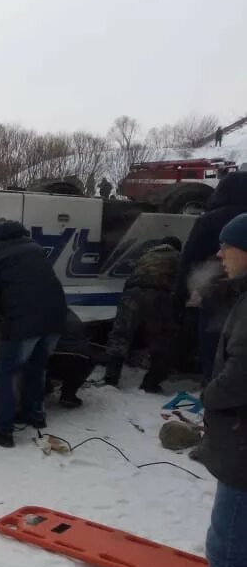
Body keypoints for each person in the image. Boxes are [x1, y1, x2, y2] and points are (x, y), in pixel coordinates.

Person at [134, 214, 247, 567]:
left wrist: (210, 395)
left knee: (230, 555)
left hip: (242, 453)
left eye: (227, 246)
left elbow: (242, 373)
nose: (219, 254)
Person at [0, 216, 67, 448]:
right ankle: (34, 414)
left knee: (9, 372)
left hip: (23, 321)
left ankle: (3, 430)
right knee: (37, 366)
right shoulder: (31, 246)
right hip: (55, 316)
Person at [175, 172, 247, 382]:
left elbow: (189, 260)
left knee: (214, 348)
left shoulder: (209, 220)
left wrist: (179, 300)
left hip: (217, 295)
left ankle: (214, 393)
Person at [105, 237, 182, 393]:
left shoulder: (146, 254)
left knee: (120, 335)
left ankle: (110, 380)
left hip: (131, 294)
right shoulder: (177, 256)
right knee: (161, 338)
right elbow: (183, 281)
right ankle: (151, 383)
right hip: (158, 296)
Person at [48, 310, 96, 408]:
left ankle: (43, 387)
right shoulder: (70, 314)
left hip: (51, 353)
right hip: (80, 356)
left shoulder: (40, 313)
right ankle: (68, 394)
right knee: (88, 360)